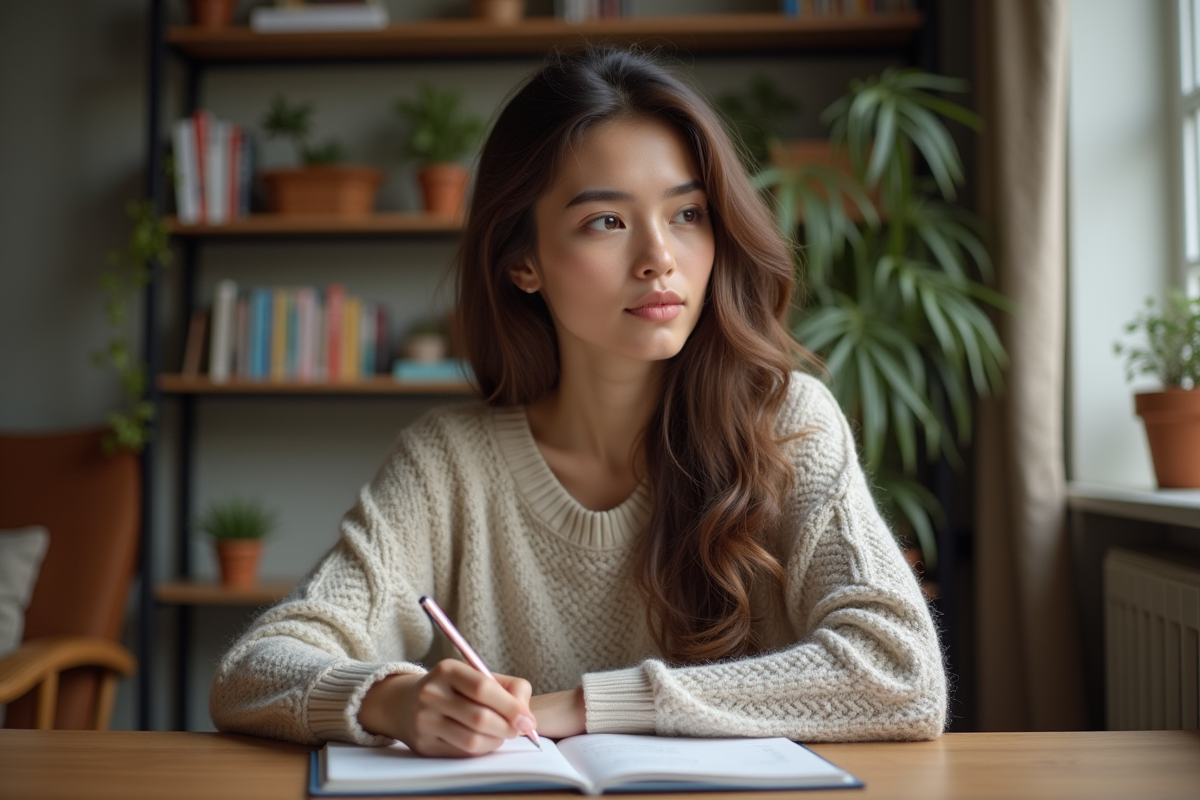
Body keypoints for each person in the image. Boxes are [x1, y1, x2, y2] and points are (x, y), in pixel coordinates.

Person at [210, 47, 946, 756]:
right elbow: (255, 669)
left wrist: (589, 707)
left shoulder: (787, 423)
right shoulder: (449, 462)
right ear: (523, 261)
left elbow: (902, 674)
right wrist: (394, 699)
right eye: (608, 221)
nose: (659, 256)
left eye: (688, 214)